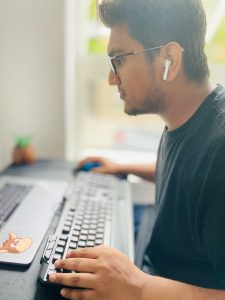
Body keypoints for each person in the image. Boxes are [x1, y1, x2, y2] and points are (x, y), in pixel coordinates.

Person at [49, 0, 225, 298]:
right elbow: (192, 178)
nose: (110, 78)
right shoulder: (190, 118)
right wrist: (123, 167)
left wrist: (138, 287)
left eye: (119, 58)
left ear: (170, 58)